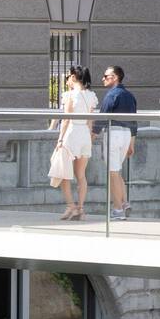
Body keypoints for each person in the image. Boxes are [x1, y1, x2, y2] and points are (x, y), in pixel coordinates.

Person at [53, 65, 98, 221]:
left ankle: (70, 206)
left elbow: (66, 119)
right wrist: (90, 138)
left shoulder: (70, 95)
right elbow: (91, 121)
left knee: (64, 173)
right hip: (84, 134)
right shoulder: (91, 95)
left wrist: (60, 139)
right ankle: (80, 208)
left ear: (73, 77)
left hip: (71, 133)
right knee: (81, 175)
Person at [93, 66, 137, 221]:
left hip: (114, 133)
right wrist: (132, 142)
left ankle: (118, 209)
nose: (103, 79)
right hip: (126, 134)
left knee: (112, 173)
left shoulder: (111, 94)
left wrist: (92, 135)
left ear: (115, 77)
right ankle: (124, 202)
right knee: (117, 171)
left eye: (106, 76)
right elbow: (133, 121)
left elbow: (102, 118)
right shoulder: (130, 96)